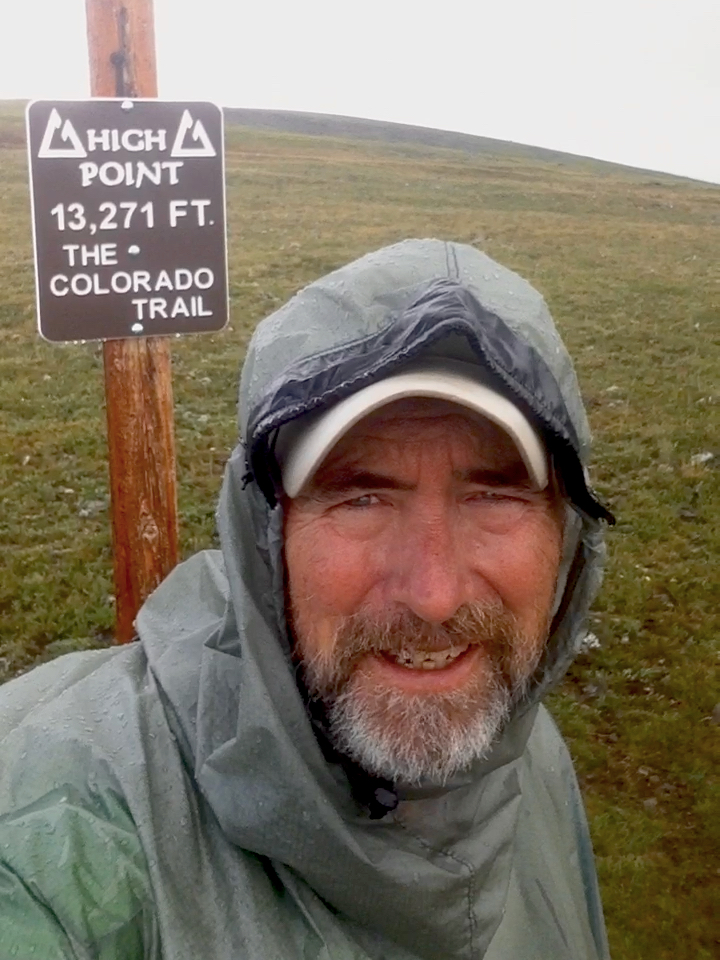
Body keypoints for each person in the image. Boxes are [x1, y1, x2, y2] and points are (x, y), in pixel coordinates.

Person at [0, 239, 614, 959]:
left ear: (566, 539)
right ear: (267, 535)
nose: (434, 595)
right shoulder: (62, 828)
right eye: (361, 497)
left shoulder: (525, 750)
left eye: (493, 495)